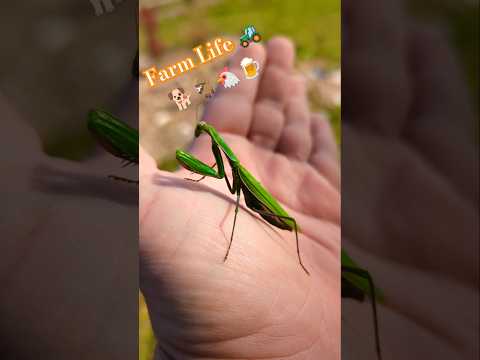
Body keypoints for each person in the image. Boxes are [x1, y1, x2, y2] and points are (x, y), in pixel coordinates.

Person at [140, 37, 341, 359]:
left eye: (204, 131)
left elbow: (232, 191)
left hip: (274, 213)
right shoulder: (224, 160)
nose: (201, 132)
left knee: (270, 213)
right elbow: (221, 177)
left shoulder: (231, 163)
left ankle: (300, 257)